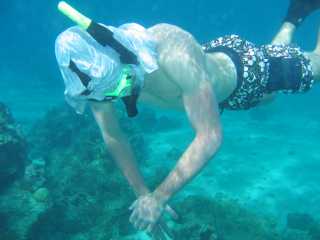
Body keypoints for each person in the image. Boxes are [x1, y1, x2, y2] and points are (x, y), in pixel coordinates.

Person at [55, 0, 320, 239]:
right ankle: (294, 16)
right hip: (226, 94)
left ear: (126, 57)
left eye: (121, 84)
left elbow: (210, 136)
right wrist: (142, 194)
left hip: (248, 72)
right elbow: (113, 135)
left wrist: (160, 197)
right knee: (269, 97)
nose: (120, 94)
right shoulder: (93, 78)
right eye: (110, 93)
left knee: (315, 66)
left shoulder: (173, 50)